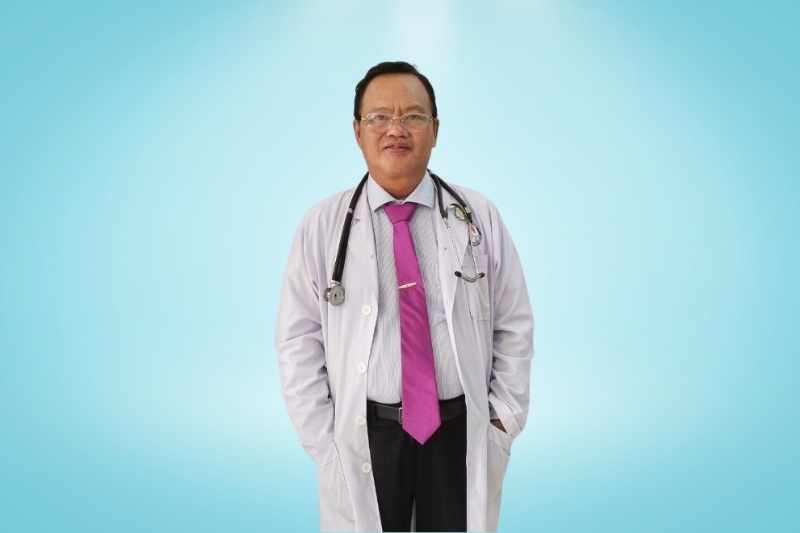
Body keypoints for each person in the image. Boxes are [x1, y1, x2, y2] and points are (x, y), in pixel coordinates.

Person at [276, 61, 534, 532]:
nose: (396, 129)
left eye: (413, 116)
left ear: (435, 129)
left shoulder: (479, 217)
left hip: (460, 429)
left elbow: (514, 325)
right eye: (379, 117)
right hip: (367, 433)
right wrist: (322, 441)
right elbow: (297, 343)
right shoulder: (321, 226)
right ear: (357, 131)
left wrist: (503, 420)